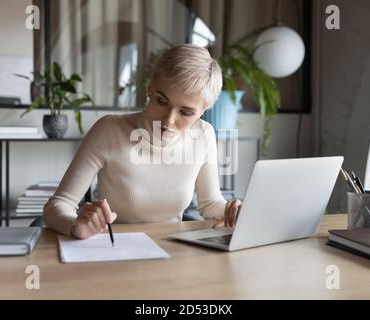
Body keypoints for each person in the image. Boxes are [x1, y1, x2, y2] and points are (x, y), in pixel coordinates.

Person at [43, 44, 242, 239]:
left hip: (174, 253)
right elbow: (57, 205)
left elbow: (210, 204)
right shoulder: (109, 130)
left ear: (203, 110)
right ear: (150, 89)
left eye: (186, 112)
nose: (169, 120)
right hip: (116, 251)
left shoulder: (203, 135)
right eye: (162, 101)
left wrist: (232, 212)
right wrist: (76, 226)